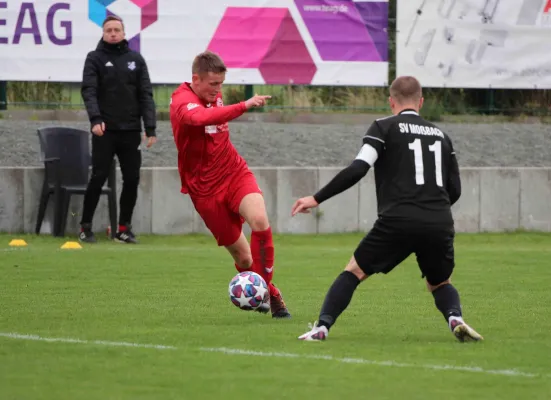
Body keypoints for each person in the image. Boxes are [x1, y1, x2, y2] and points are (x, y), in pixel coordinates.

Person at [292, 76, 483, 342]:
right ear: (421, 102)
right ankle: (455, 318)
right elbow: (456, 190)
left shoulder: (383, 127)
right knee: (439, 282)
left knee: (354, 271)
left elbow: (359, 168)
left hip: (398, 220)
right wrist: (430, 210)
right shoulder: (442, 137)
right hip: (438, 221)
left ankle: (321, 327)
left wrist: (317, 197)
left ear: (391, 101)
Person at [169, 50, 291, 319]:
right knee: (246, 261)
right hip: (204, 191)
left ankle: (270, 296)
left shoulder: (213, 94)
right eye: (213, 84)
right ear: (195, 79)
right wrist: (244, 106)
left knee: (259, 219)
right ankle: (268, 293)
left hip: (234, 172)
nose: (218, 90)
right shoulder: (181, 101)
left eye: (221, 84)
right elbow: (201, 118)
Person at [79, 15, 157, 244]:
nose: (113, 33)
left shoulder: (136, 59)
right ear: (103, 33)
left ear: (124, 33)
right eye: (108, 30)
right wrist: (95, 119)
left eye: (117, 30)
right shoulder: (94, 58)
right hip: (105, 130)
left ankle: (123, 229)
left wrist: (150, 128)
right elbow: (89, 91)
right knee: (99, 176)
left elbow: (146, 95)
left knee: (132, 178)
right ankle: (85, 227)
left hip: (131, 130)